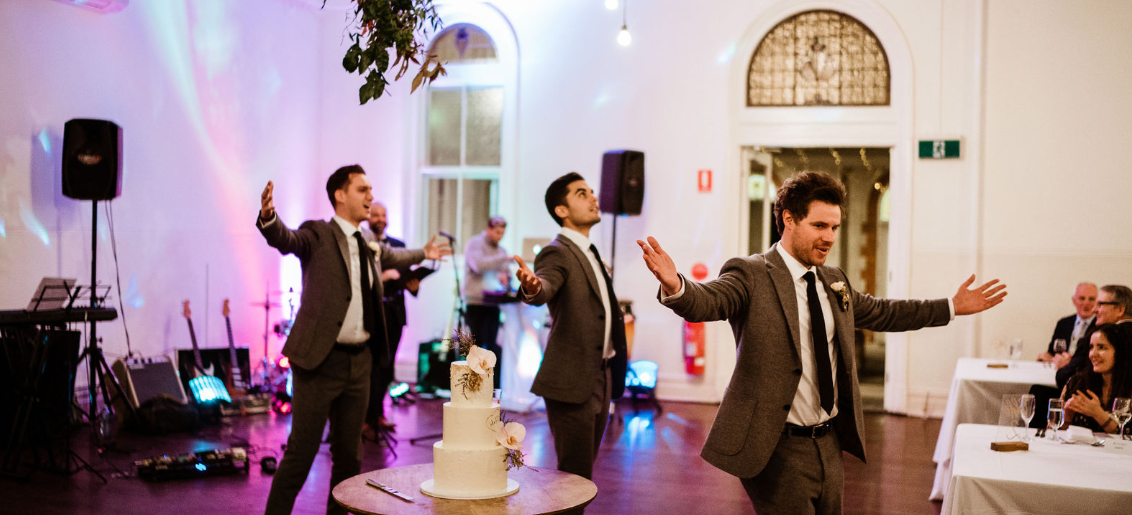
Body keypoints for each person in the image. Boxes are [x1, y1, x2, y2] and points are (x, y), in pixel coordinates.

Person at [636, 171, 1006, 515]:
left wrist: (950, 307)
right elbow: (709, 301)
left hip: (829, 442)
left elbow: (884, 313)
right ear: (788, 219)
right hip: (776, 445)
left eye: (834, 227)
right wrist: (677, 286)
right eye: (819, 226)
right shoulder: (750, 273)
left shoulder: (833, 280)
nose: (829, 236)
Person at [257, 165, 450, 515]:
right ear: (340, 195)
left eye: (371, 189)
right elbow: (287, 239)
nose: (370, 196)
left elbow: (395, 256)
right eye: (363, 189)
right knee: (301, 454)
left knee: (350, 459)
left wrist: (424, 254)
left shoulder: (368, 244)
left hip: (359, 362)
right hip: (320, 361)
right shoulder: (316, 233)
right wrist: (269, 217)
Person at [514, 172, 628, 484]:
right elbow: (545, 285)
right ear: (561, 210)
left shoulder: (588, 251)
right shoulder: (558, 251)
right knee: (573, 477)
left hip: (601, 374)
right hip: (573, 378)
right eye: (581, 193)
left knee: (582, 474)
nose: (593, 198)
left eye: (592, 191)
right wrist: (533, 287)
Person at [360, 202, 421, 438]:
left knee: (388, 367)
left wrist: (413, 285)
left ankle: (379, 414)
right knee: (371, 367)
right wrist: (383, 276)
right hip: (374, 312)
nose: (380, 218)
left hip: (395, 313)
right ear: (368, 218)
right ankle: (365, 419)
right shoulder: (363, 243)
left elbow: (407, 279)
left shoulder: (399, 246)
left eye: (383, 214)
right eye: (375, 214)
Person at [463, 216, 511, 389]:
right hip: (475, 303)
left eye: (502, 233)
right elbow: (477, 265)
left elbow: (506, 272)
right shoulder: (475, 244)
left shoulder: (501, 251)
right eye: (497, 232)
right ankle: (471, 388)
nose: (500, 236)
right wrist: (503, 258)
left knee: (491, 348)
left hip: (493, 304)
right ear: (489, 229)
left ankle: (490, 389)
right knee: (475, 348)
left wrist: (507, 278)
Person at [1055, 284, 1132, 390]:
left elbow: (1064, 377)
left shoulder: (1104, 336)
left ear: (1120, 310)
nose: (1094, 310)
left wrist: (1066, 365)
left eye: (1100, 304)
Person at [1061, 323, 1132, 434]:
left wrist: (1097, 413)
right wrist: (1067, 417)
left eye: (1101, 347)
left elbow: (1125, 437)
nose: (1093, 354)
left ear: (1119, 352)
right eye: (1091, 347)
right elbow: (1053, 433)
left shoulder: (1129, 388)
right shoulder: (1078, 383)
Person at [1038, 282, 1097, 365]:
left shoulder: (1101, 326)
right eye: (1082, 298)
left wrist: (1071, 362)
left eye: (1091, 299)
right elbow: (1052, 352)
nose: (1086, 303)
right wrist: (1045, 357)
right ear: (1074, 301)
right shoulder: (1063, 323)